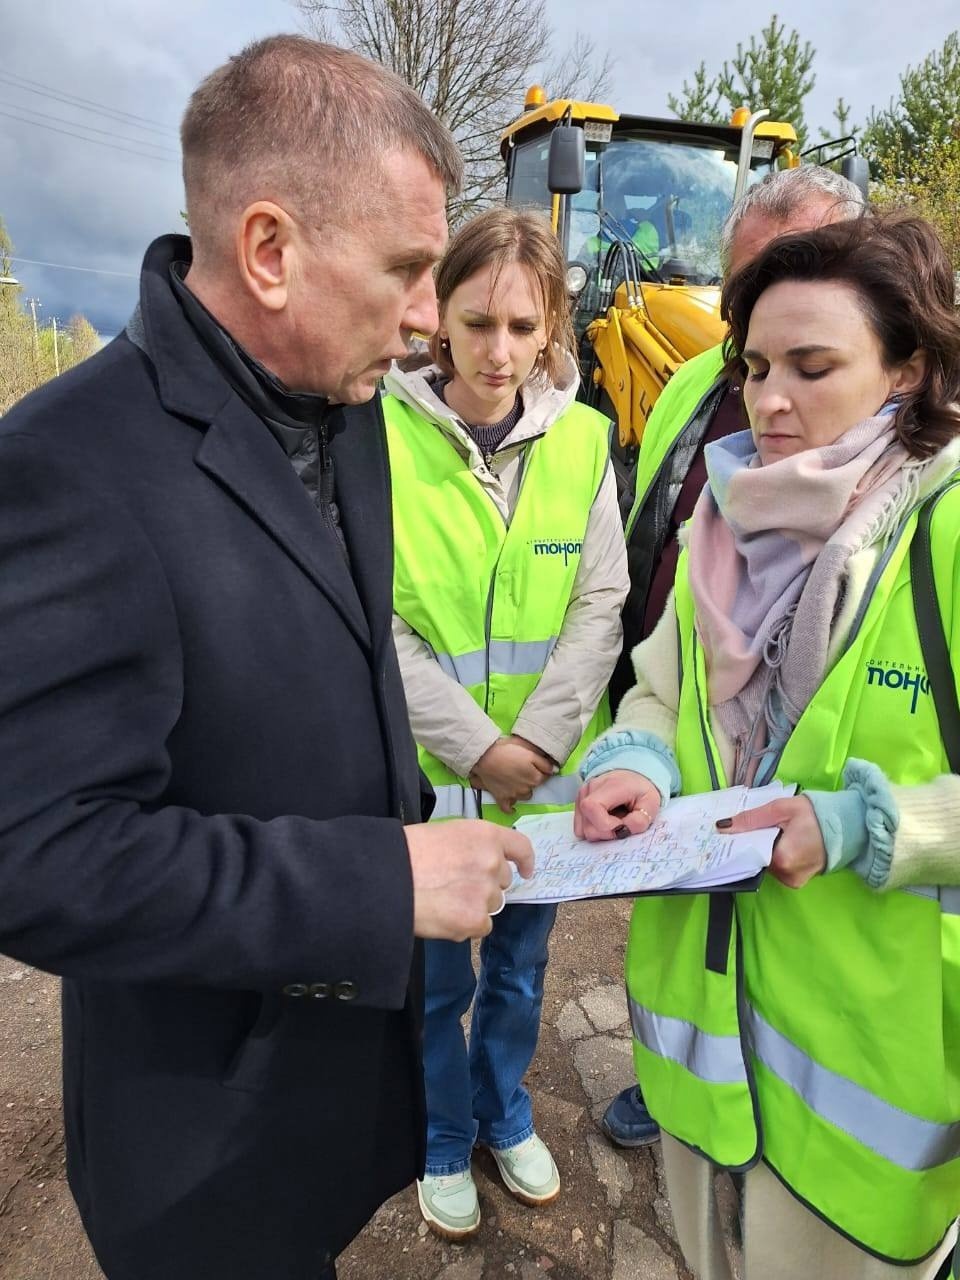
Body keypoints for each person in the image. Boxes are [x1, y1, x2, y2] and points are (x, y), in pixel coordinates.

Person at [0, 36, 536, 1280]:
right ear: (269, 250)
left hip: (329, 1088)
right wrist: (377, 883)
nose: (427, 320)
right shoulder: (68, 465)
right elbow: (35, 855)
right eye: (406, 270)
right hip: (203, 1139)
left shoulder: (346, 412)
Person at [575, 213, 960, 1279]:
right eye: (754, 367)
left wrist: (861, 826)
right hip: (704, 1032)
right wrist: (635, 761)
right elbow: (662, 689)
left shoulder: (948, 532)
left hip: (872, 1077)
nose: (770, 399)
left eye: (812, 366)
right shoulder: (725, 521)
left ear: (907, 369)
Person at [601, 164, 866, 1149]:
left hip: (839, 943)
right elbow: (655, 541)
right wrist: (637, 738)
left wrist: (865, 825)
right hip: (692, 771)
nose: (769, 390)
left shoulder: (927, 509)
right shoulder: (693, 386)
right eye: (743, 292)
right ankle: (676, 1075)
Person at [381, 208, 629, 1239]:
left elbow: (600, 603)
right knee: (438, 980)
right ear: (438, 314)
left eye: (523, 327)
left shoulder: (583, 441)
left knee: (522, 970)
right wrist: (477, 747)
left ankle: (503, 1110)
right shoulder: (379, 435)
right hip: (434, 783)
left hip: (546, 787)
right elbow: (377, 619)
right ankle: (443, 1135)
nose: (499, 351)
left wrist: (536, 746)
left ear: (551, 326)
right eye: (478, 323)